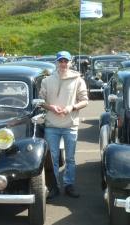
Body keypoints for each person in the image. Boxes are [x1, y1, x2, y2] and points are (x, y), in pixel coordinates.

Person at [38, 51, 88, 199]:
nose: (63, 64)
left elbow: (84, 101)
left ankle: (69, 185)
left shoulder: (78, 80)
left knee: (70, 158)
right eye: (61, 61)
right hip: (52, 125)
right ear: (56, 63)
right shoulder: (47, 81)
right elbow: (41, 101)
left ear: (70, 63)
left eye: (66, 61)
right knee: (52, 158)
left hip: (70, 124)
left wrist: (71, 108)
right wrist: (51, 107)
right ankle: (54, 187)